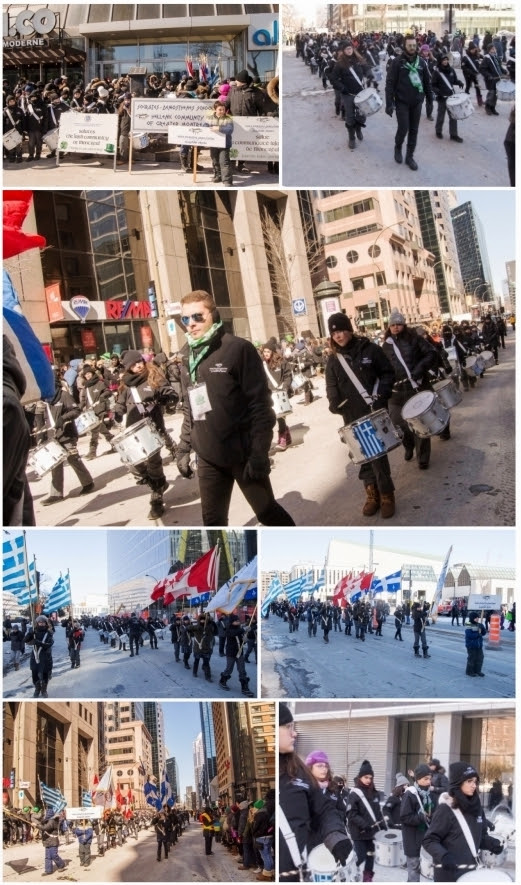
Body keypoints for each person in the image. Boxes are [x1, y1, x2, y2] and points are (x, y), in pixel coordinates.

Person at [175, 290, 294, 526]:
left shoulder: (238, 349)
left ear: (213, 314)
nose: (191, 324)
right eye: (185, 319)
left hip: (243, 452)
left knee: (268, 513)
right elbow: (191, 408)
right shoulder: (187, 356)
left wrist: (259, 452)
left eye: (197, 316)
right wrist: (184, 448)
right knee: (213, 522)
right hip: (208, 457)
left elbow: (260, 406)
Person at [325, 311, 397, 518]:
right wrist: (334, 404)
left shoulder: (370, 349)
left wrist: (382, 395)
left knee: (377, 455)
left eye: (341, 330)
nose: (338, 336)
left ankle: (386, 495)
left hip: (372, 411)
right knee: (362, 457)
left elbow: (387, 373)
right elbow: (331, 387)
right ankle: (371, 494)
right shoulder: (333, 360)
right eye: (334, 333)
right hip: (351, 415)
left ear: (349, 329)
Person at [278, 703, 352, 882]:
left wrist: (337, 837)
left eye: (326, 765)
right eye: (288, 727)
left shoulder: (299, 772)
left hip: (303, 865)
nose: (294, 733)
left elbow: (325, 809)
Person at [114, 349, 176, 519]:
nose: (138, 365)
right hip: (133, 428)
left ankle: (156, 500)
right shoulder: (126, 383)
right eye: (133, 365)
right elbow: (120, 402)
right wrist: (117, 412)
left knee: (153, 462)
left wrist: (168, 398)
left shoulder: (153, 374)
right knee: (133, 465)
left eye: (139, 361)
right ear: (128, 368)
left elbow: (166, 390)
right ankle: (159, 484)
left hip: (152, 427)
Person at [422, 762, 503, 882]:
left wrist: (491, 843)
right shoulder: (446, 809)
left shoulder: (477, 809)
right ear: (458, 784)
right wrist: (444, 856)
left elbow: (479, 837)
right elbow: (429, 840)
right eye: (469, 781)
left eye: (475, 781)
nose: (474, 785)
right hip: (449, 874)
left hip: (471, 873)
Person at [382, 309, 438, 470]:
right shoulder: (385, 346)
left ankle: (423, 458)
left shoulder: (415, 339)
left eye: (398, 324)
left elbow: (431, 353)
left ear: (404, 324)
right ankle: (408, 445)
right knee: (399, 425)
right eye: (392, 325)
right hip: (396, 393)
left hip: (416, 388)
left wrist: (420, 369)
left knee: (420, 425)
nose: (395, 327)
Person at [40, 374, 95, 506]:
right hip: (53, 436)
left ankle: (88, 483)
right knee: (56, 464)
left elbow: (76, 411)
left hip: (67, 434)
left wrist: (63, 419)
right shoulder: (44, 401)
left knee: (73, 459)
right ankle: (56, 494)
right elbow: (45, 420)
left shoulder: (64, 395)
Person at [385, 34, 434, 169]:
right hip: (402, 102)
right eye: (409, 45)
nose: (412, 48)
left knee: (414, 130)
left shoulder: (422, 63)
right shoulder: (397, 63)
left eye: (414, 45)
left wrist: (430, 99)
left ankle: (409, 156)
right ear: (405, 46)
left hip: (417, 102)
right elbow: (390, 84)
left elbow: (427, 83)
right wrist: (389, 103)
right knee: (403, 128)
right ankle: (398, 147)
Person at [346, 759, 385, 883]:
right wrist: (364, 824)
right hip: (358, 831)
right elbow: (351, 814)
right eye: (366, 777)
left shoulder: (375, 794)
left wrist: (383, 825)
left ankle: (367, 877)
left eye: (370, 777)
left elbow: (377, 812)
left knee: (370, 855)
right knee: (361, 856)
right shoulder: (354, 794)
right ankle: (349, 871)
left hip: (372, 831)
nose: (368, 780)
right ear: (360, 777)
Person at [330, 42, 369, 150]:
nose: (349, 50)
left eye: (350, 48)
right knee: (350, 117)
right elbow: (333, 78)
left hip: (360, 93)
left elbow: (367, 68)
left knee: (362, 115)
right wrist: (342, 88)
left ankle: (358, 128)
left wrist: (369, 73)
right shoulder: (340, 64)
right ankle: (351, 137)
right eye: (347, 49)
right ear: (343, 51)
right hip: (348, 94)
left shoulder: (359, 60)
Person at [400, 764, 434, 881]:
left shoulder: (430, 794)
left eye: (430, 778)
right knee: (414, 867)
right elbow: (404, 817)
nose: (429, 781)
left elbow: (433, 813)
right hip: (412, 836)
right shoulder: (410, 794)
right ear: (418, 779)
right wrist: (421, 817)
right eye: (426, 779)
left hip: (426, 835)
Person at [261, 342, 293, 451]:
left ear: (273, 352)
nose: (266, 353)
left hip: (281, 392)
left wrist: (285, 386)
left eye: (268, 351)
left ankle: (283, 439)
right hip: (268, 395)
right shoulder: (262, 364)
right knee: (270, 418)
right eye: (264, 351)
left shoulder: (282, 362)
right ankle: (286, 435)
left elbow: (288, 375)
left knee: (280, 417)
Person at [79, 366, 115, 459]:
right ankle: (115, 444)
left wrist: (103, 396)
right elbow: (83, 400)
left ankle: (92, 452)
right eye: (85, 375)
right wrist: (79, 408)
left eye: (89, 373)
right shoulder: (86, 387)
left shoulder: (99, 383)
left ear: (92, 373)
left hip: (100, 410)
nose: (87, 376)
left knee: (94, 431)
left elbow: (108, 392)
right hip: (91, 412)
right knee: (102, 430)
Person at [432, 54, 465, 142]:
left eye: (446, 60)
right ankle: (438, 131)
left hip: (451, 97)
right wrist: (438, 92)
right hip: (442, 98)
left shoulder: (451, 70)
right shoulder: (437, 72)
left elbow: (454, 80)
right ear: (440, 61)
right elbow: (433, 85)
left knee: (453, 116)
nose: (445, 61)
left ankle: (453, 134)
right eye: (443, 60)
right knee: (441, 116)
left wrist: (459, 83)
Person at [219, 614, 253, 696]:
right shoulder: (229, 629)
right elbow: (233, 633)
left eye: (238, 621)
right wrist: (243, 630)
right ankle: (222, 681)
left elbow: (242, 641)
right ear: (232, 622)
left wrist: (245, 637)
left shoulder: (239, 629)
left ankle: (245, 688)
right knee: (229, 669)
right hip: (231, 652)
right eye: (236, 621)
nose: (238, 622)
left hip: (239, 652)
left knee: (242, 670)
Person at [204, 101, 234, 185]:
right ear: (215, 110)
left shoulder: (228, 118)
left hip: (224, 145)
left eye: (223, 109)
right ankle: (218, 176)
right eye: (220, 109)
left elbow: (229, 130)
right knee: (215, 161)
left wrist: (219, 128)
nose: (222, 111)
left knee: (224, 162)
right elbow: (204, 128)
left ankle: (227, 180)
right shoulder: (209, 118)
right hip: (213, 144)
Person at [25, 615, 54, 697]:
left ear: (45, 623)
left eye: (43, 622)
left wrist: (37, 642)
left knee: (45, 674)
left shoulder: (49, 633)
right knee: (34, 673)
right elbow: (25, 640)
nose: (41, 624)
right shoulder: (34, 631)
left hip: (45, 656)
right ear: (37, 623)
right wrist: (30, 633)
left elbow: (48, 645)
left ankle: (44, 690)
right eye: (39, 622)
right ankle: (37, 689)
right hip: (35, 655)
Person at [36, 810, 66, 876]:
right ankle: (48, 870)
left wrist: (37, 826)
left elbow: (45, 828)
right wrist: (40, 822)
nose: (44, 815)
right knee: (47, 857)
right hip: (47, 841)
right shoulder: (48, 820)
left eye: (45, 813)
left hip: (53, 841)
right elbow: (42, 824)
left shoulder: (52, 821)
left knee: (53, 855)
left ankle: (61, 865)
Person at [480, 44, 504, 115]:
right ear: (489, 50)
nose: (494, 50)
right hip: (491, 79)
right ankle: (487, 107)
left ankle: (493, 107)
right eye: (493, 49)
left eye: (495, 49)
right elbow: (482, 69)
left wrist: (505, 71)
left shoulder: (496, 58)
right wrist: (488, 75)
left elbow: (499, 67)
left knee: (496, 95)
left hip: (497, 79)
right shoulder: (486, 58)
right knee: (491, 94)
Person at [465, 611, 486, 677]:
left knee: (480, 658)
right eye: (475, 618)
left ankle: (478, 671)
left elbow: (483, 633)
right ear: (472, 618)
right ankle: (469, 671)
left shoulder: (479, 624)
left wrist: (482, 629)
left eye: (478, 617)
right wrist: (478, 634)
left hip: (479, 645)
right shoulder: (468, 624)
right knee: (472, 658)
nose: (477, 619)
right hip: (471, 645)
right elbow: (470, 635)